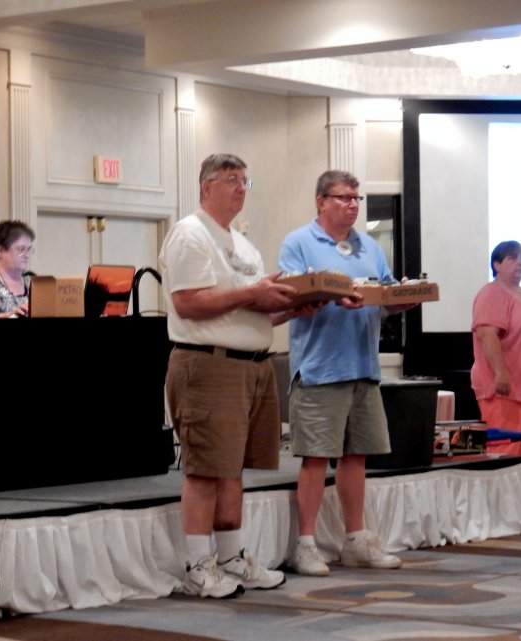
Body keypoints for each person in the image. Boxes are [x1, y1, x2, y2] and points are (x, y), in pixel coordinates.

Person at [160, 153, 307, 598]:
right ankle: (197, 565)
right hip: (209, 364)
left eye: (245, 180)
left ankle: (231, 557)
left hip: (252, 365)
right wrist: (253, 292)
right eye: (231, 179)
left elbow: (255, 313)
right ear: (206, 186)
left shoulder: (243, 245)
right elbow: (189, 303)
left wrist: (297, 306)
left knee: (232, 468)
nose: (241, 188)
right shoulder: (190, 233)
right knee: (206, 469)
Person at [279, 169, 415, 577]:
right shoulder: (299, 242)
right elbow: (290, 294)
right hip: (319, 368)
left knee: (357, 456)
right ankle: (306, 545)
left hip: (363, 366)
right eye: (344, 198)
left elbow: (386, 294)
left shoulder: (368, 245)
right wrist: (335, 295)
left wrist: (402, 298)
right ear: (321, 201)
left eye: (357, 198)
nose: (353, 205)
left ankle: (356, 539)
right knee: (316, 459)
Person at [471, 240, 521, 457]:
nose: (520, 262)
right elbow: (487, 335)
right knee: (504, 452)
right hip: (502, 389)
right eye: (512, 257)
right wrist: (501, 373)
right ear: (496, 265)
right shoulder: (492, 293)